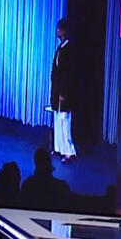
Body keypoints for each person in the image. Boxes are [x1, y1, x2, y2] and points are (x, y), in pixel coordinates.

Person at [50, 17, 77, 162]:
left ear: (64, 31)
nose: (57, 30)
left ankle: (69, 151)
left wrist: (64, 92)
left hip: (63, 92)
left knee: (64, 120)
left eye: (59, 28)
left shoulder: (69, 49)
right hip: (57, 89)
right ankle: (59, 147)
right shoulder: (61, 47)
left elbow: (69, 73)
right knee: (58, 119)